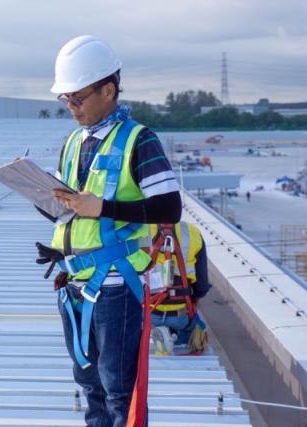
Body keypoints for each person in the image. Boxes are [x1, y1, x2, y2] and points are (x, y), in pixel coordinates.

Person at [34, 35, 182, 427]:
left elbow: (170, 207)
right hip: (75, 282)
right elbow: (75, 211)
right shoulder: (74, 142)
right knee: (89, 386)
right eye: (64, 99)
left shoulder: (140, 140)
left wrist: (103, 208)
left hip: (117, 284)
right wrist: (46, 203)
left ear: (109, 90)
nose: (70, 107)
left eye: (77, 98)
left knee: (119, 391)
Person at [148, 222, 212, 355]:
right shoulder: (192, 232)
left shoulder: (142, 229)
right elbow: (202, 287)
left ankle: (160, 334)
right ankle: (175, 337)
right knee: (192, 327)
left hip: (149, 312)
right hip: (180, 314)